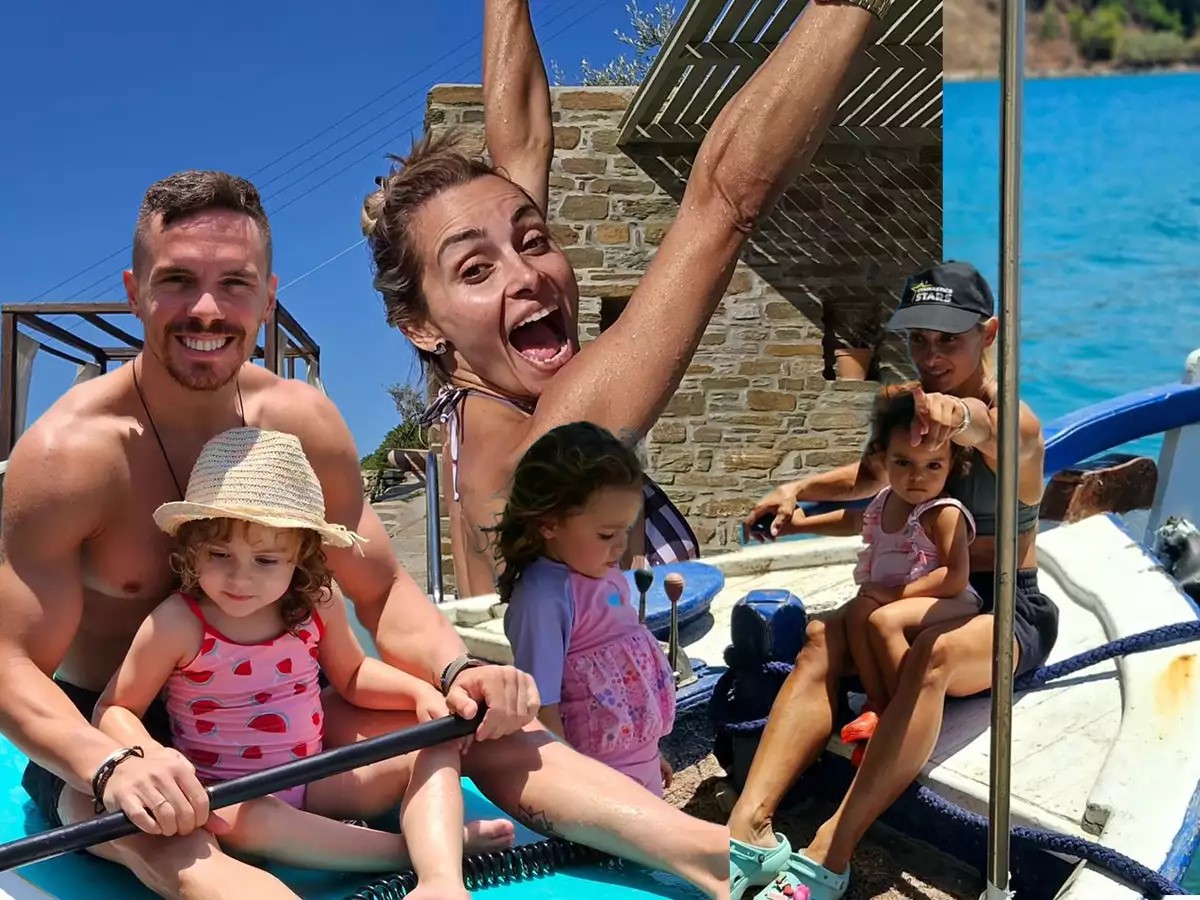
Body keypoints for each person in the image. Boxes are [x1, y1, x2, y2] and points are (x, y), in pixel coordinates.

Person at [0, 170, 725, 899]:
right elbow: (10, 662)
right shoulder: (71, 456)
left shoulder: (300, 424)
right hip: (118, 726)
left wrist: (454, 671)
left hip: (283, 707)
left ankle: (723, 857)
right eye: (177, 280)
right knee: (164, 837)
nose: (208, 309)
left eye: (235, 283)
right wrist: (109, 764)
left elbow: (380, 590)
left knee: (467, 723)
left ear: (268, 295)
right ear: (134, 291)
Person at [362, 0, 897, 601]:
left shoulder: (477, 408)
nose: (527, 274)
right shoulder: (538, 456)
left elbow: (524, 146)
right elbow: (728, 201)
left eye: (533, 240)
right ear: (420, 325)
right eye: (476, 269)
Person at [727, 260, 1060, 900]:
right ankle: (748, 828)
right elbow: (869, 480)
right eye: (918, 339)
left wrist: (956, 415)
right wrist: (797, 489)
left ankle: (830, 852)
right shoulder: (908, 409)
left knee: (934, 655)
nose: (931, 356)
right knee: (822, 636)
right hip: (915, 594)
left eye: (949, 340)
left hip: (1002, 609)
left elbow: (984, 428)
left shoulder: (1017, 424)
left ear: (988, 334)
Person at [93, 426, 515, 897]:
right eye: (219, 554)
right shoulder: (178, 623)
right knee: (244, 819)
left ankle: (440, 880)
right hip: (230, 799)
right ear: (192, 550)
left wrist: (420, 693)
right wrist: (148, 755)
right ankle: (412, 849)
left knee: (433, 743)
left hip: (315, 780)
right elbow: (115, 708)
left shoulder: (315, 604)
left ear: (301, 556)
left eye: (266, 560)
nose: (239, 578)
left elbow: (353, 674)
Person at [773, 384, 981, 768]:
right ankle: (878, 701)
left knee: (883, 620)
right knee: (858, 612)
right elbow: (853, 520)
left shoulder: (944, 512)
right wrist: (799, 525)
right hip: (901, 598)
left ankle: (907, 712)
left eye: (933, 466)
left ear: (951, 466)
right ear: (882, 459)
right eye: (903, 463)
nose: (917, 477)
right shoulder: (885, 501)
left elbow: (954, 577)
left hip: (951, 601)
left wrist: (895, 595)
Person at [495, 422, 676, 797]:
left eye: (626, 530)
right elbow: (542, 706)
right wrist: (573, 786)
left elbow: (624, 654)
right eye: (606, 535)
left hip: (636, 761)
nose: (620, 546)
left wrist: (649, 752)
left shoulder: (605, 575)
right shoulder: (544, 599)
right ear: (549, 523)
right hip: (598, 776)